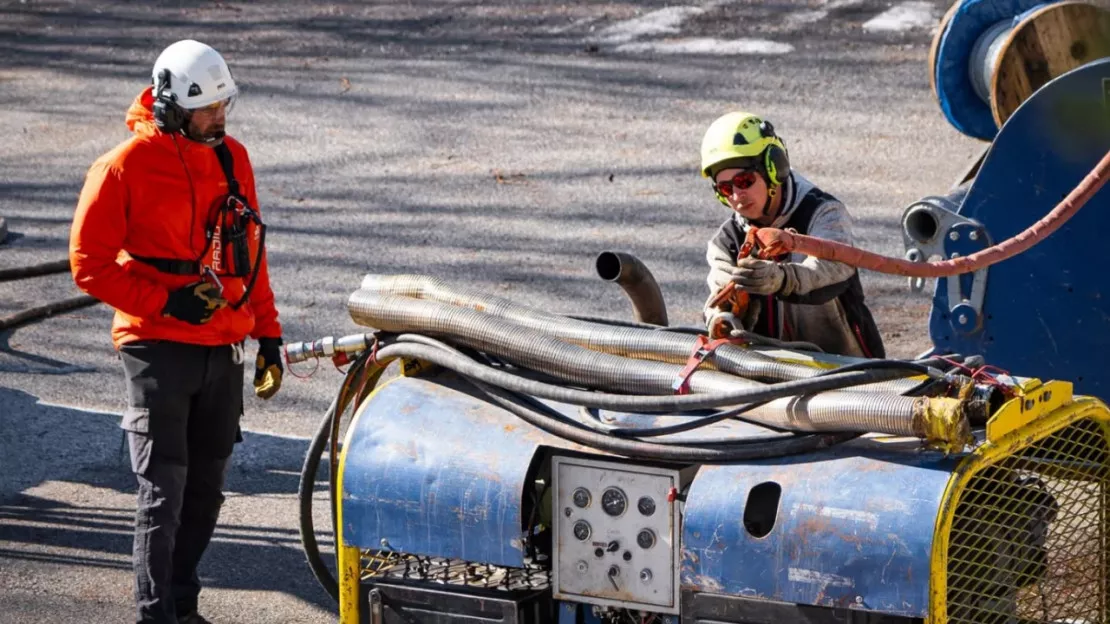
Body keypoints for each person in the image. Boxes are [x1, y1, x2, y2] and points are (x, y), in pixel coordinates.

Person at [69, 39, 284, 624]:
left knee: (206, 490)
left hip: (224, 344)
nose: (218, 118)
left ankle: (184, 609)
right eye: (205, 109)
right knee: (163, 493)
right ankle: (156, 615)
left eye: (223, 106)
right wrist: (164, 302)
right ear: (170, 106)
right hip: (155, 346)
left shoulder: (232, 157)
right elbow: (87, 263)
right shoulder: (122, 166)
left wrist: (268, 334)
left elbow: (251, 253)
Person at [699, 111, 884, 358]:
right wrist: (721, 318)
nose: (736, 195)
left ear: (773, 168)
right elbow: (717, 299)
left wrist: (781, 279)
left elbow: (830, 270)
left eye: (744, 181)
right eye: (725, 188)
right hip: (767, 371)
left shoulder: (823, 213)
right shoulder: (727, 243)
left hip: (844, 366)